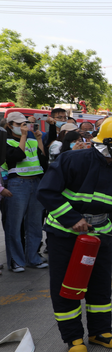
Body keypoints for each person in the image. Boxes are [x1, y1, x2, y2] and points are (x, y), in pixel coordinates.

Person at [37, 117, 112, 352]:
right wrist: (72, 218)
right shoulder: (72, 160)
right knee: (66, 286)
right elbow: (46, 192)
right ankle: (72, 337)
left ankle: (100, 332)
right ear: (109, 144)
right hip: (64, 234)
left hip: (100, 235)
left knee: (100, 286)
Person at [3, 112, 48, 272]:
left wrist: (39, 139)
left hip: (36, 182)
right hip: (17, 183)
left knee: (35, 224)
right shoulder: (6, 140)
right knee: (14, 225)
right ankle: (16, 261)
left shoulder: (31, 139)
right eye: (19, 124)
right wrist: (23, 137)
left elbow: (43, 160)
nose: (23, 127)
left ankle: (33, 258)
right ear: (10, 125)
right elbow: (16, 157)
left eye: (25, 124)